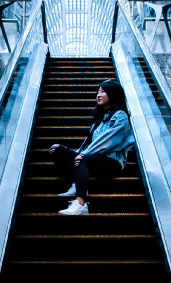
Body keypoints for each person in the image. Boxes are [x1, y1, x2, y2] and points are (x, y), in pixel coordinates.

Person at [49, 79, 133, 215]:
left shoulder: (121, 116)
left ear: (113, 94)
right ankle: (76, 183)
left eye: (103, 92)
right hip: (91, 158)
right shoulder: (99, 120)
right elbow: (87, 145)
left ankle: (81, 204)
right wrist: (77, 153)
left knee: (82, 158)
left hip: (112, 163)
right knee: (56, 150)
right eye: (98, 92)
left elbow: (108, 141)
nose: (98, 95)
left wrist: (82, 155)